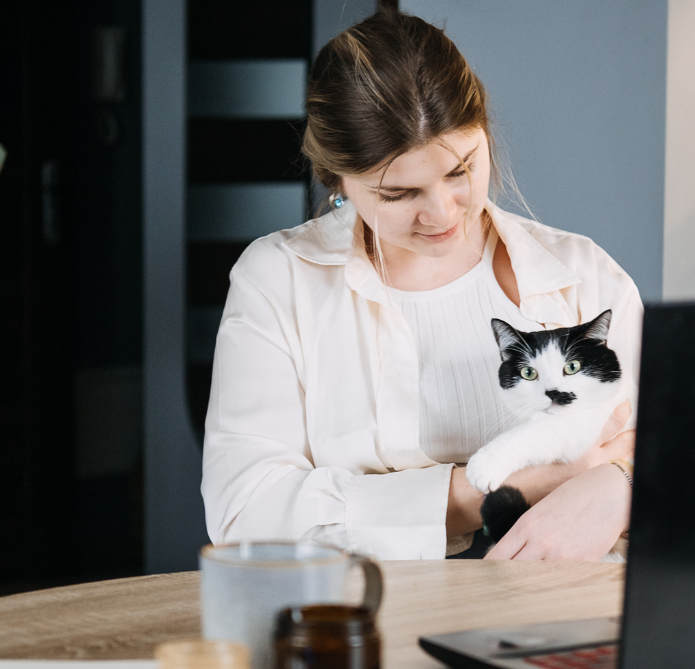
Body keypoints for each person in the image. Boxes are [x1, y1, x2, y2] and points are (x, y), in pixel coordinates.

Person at [201, 9, 641, 561]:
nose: (440, 213)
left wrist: (615, 488)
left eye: (460, 171)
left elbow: (676, 454)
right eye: (397, 194)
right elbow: (245, 513)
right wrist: (508, 487)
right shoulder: (277, 281)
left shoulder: (584, 273)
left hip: (566, 617)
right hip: (361, 618)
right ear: (338, 180)